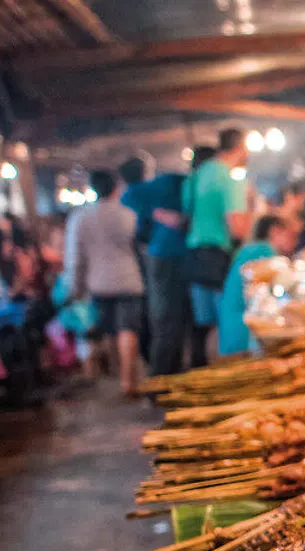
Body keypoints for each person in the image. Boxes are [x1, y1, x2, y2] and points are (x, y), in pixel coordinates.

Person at [66, 168, 145, 395]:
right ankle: (129, 381)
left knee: (111, 330)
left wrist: (76, 287)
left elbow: (75, 258)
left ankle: (119, 375)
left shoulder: (80, 218)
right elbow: (140, 248)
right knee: (128, 329)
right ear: (116, 188)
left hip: (99, 283)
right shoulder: (128, 215)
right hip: (129, 279)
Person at [124, 151, 197, 376]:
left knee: (175, 321)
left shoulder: (167, 184)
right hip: (168, 259)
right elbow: (128, 199)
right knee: (169, 322)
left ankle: (169, 377)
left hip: (169, 258)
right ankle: (161, 381)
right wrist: (159, 213)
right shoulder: (169, 183)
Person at [183, 128, 250, 365]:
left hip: (193, 255)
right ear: (240, 147)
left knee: (205, 323)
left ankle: (203, 370)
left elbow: (187, 214)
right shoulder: (229, 178)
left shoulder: (197, 176)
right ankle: (222, 373)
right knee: (225, 319)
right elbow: (237, 228)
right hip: (218, 258)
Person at [218, 214, 298, 356]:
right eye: (290, 235)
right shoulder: (264, 251)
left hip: (230, 330)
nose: (293, 242)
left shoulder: (248, 250)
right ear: (275, 231)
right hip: (244, 332)